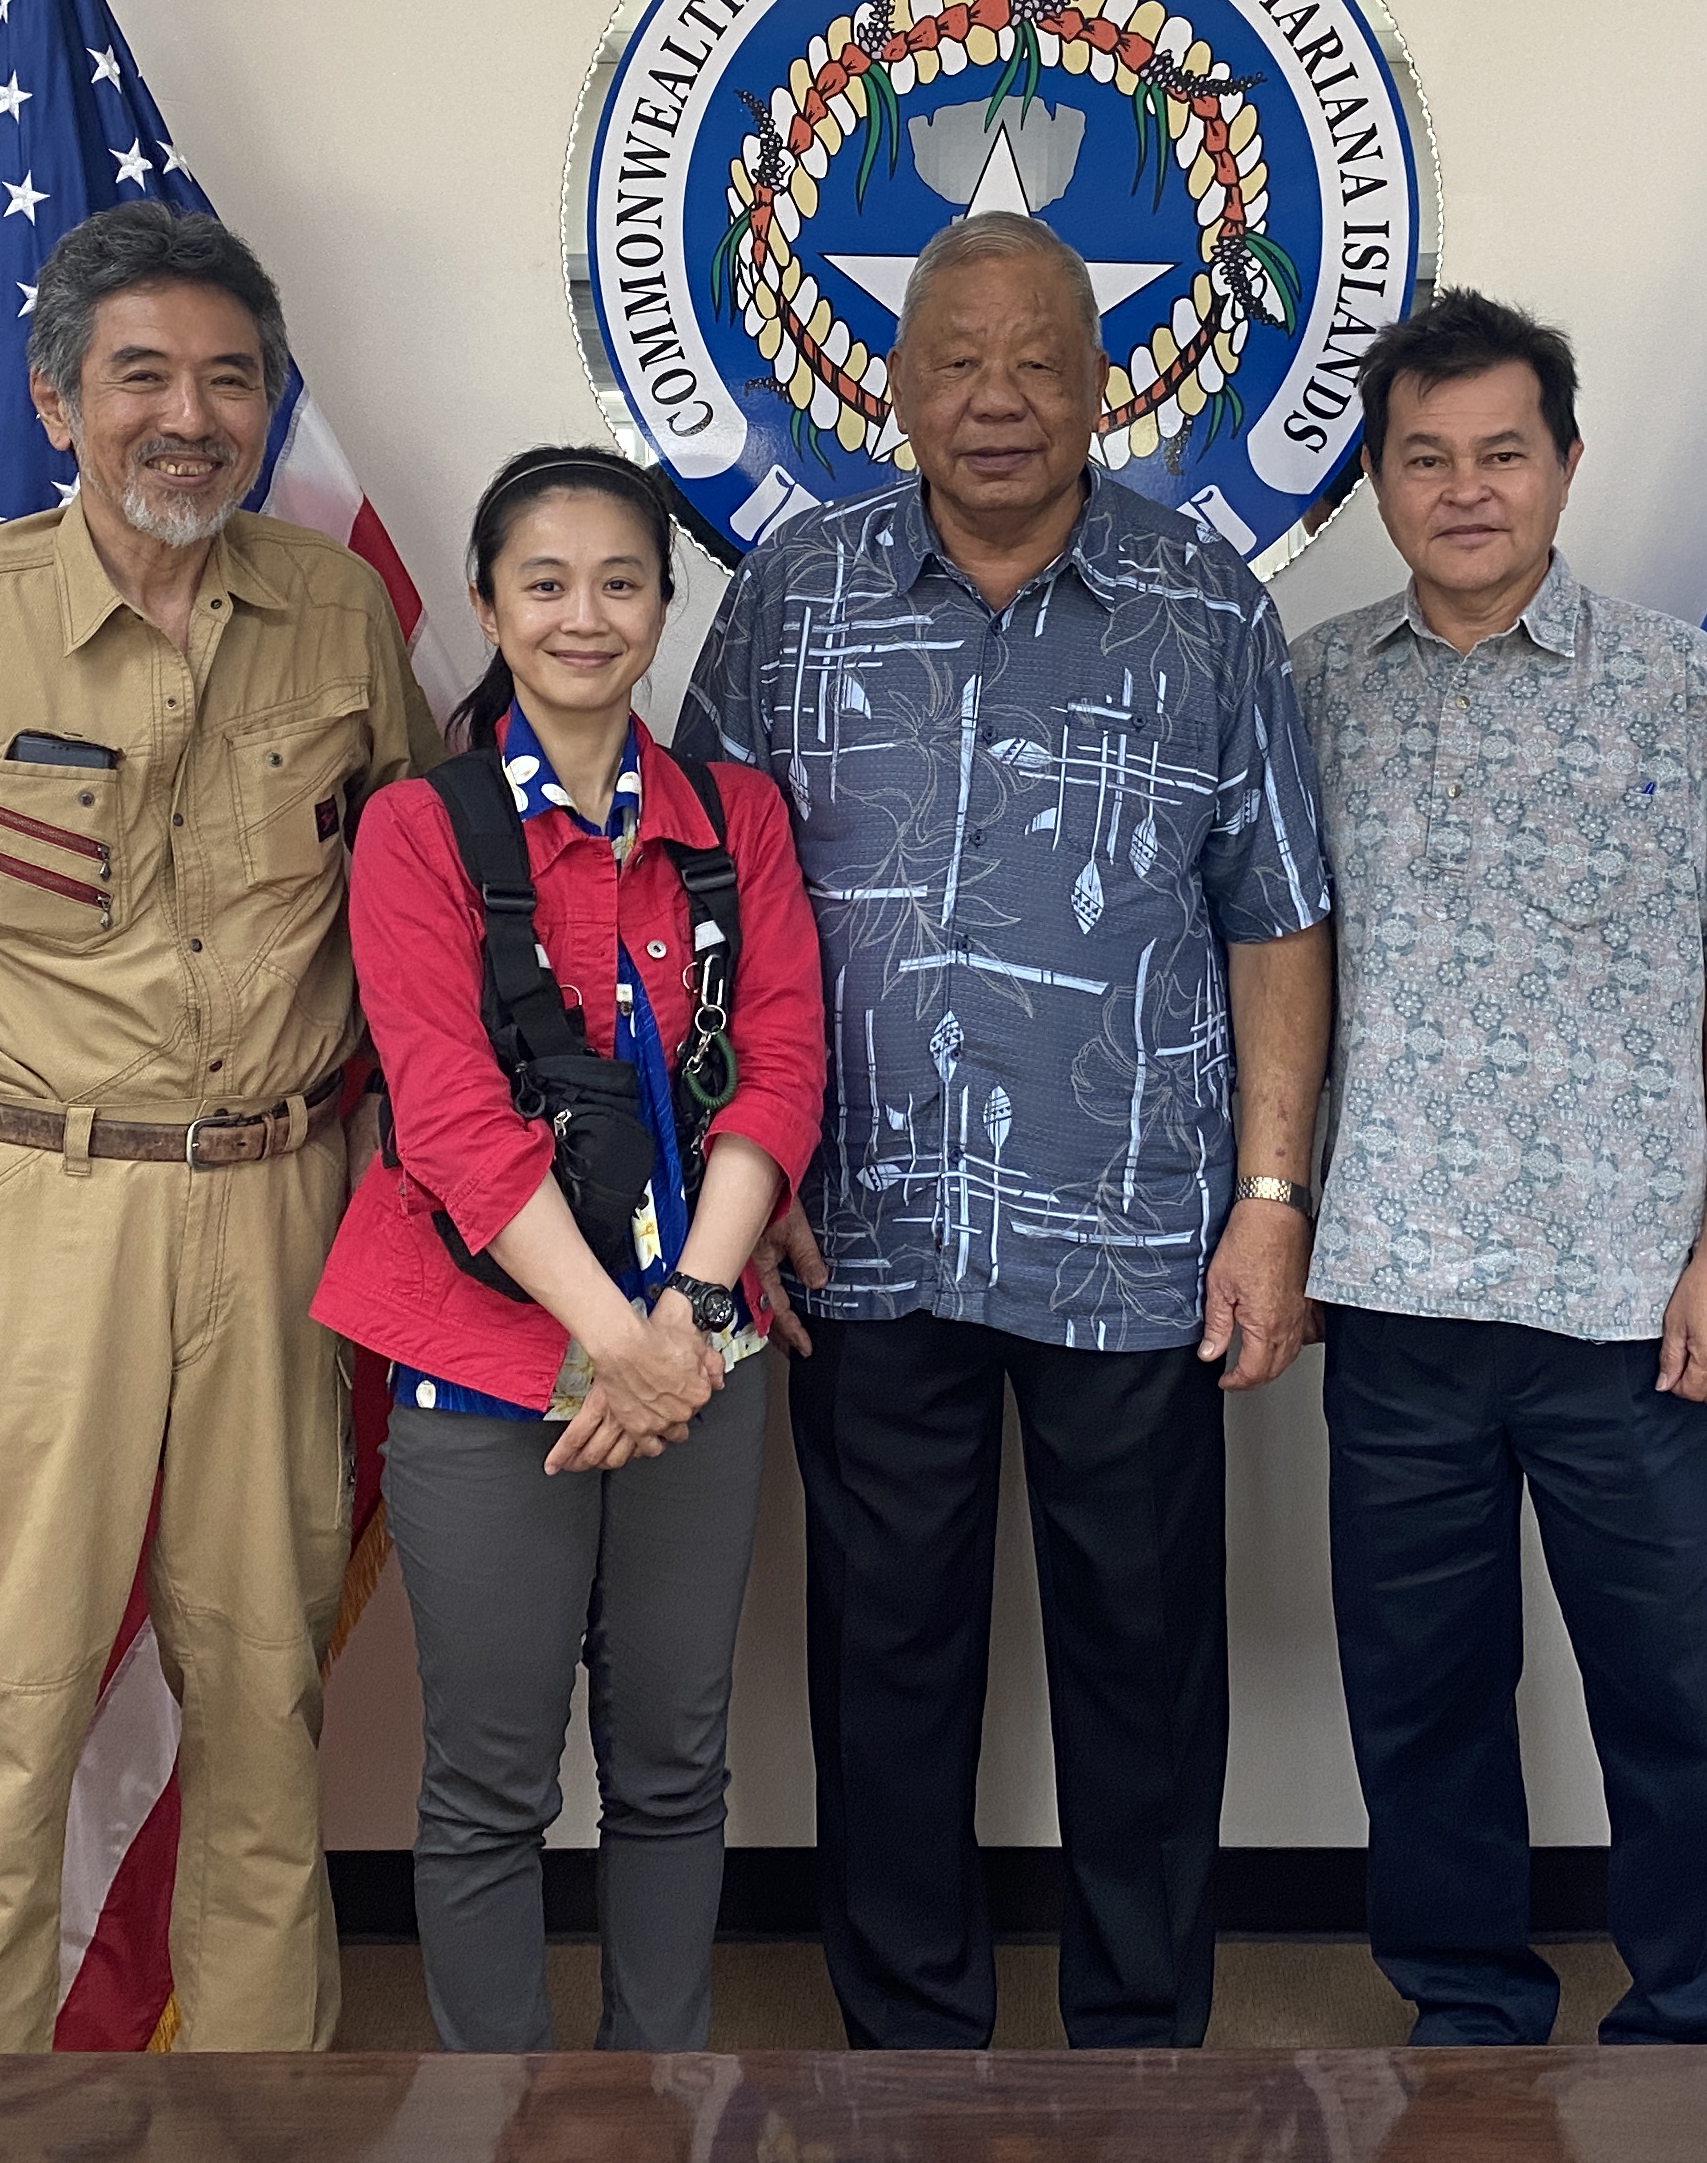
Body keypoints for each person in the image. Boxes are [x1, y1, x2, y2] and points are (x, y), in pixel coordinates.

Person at [0, 201, 440, 2054]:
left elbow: (409, 923)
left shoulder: (336, 613)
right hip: (38, 1212)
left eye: (232, 379)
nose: (191, 416)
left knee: (264, 1708)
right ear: (59, 397)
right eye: (143, 374)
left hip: (284, 1208)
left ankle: (258, 2112)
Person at [677, 212, 1335, 2052]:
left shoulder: (1207, 608)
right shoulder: (792, 598)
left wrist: (1271, 1197)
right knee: (887, 1670)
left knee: (1145, 1665)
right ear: (888, 384)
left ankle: (1145, 2045)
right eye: (956, 360)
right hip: (862, 1234)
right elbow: (710, 893)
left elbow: (1276, 911)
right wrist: (756, 1164)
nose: (997, 400)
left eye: (1039, 359)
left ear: (1105, 382)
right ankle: (910, 2053)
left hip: (1132, 1233)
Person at [1288, 289, 1707, 2048]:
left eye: (1502, 454)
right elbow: (1266, 975)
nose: (1466, 491)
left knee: (1673, 1693)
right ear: (1379, 480)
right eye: (1426, 459)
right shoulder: (1314, 697)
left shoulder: (1676, 685)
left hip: (1634, 1301)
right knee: (1423, 1697)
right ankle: (1467, 2009)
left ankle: (1703, 2016)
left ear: (1566, 467)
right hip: (1394, 1296)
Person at [319, 447, 826, 2053]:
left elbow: (785, 1072)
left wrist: (680, 1319)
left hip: (703, 1356)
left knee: (676, 1761)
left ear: (666, 609)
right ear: (487, 605)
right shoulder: (419, 831)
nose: (584, 616)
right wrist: (618, 1339)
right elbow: (456, 1119)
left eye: (620, 582)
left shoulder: (734, 818)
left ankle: (654, 2093)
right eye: (544, 583)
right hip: (488, 1361)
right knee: (491, 1777)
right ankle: (498, 2113)